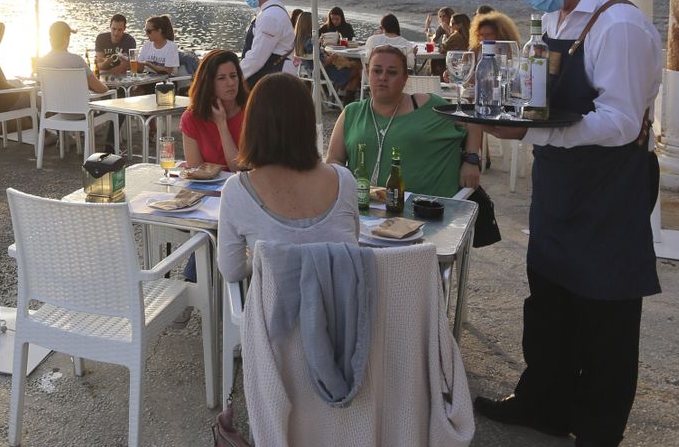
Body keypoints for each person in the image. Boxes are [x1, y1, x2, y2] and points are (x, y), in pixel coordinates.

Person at [471, 0, 662, 447]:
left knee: (606, 313)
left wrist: (534, 136)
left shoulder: (620, 26)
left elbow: (622, 122)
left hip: (609, 188)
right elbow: (542, 101)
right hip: (559, 188)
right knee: (549, 299)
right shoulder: (554, 21)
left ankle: (599, 437)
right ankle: (545, 405)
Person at [217, 73, 361, 283]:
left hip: (275, 314)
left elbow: (232, 271)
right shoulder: (344, 179)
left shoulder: (237, 190)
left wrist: (264, 258)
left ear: (253, 126)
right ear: (307, 123)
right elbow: (351, 245)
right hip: (343, 310)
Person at [324, 45, 481, 198]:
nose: (383, 77)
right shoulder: (352, 112)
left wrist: (471, 160)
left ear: (405, 78)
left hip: (423, 212)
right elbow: (334, 159)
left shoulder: (428, 107)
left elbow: (473, 120)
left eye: (392, 72)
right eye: (377, 71)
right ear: (367, 73)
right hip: (365, 210)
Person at [179, 49, 248, 173]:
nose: (230, 83)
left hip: (243, 187)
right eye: (221, 78)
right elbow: (198, 171)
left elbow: (238, 168)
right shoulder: (191, 118)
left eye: (233, 76)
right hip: (207, 188)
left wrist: (222, 125)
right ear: (208, 83)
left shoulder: (250, 112)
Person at [237, 0, 294, 83]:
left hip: (275, 83)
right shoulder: (272, 11)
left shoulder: (270, 16)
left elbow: (256, 58)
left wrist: (234, 77)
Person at [37, 21, 108, 95]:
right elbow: (100, 89)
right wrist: (106, 87)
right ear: (67, 39)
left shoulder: (41, 62)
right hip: (77, 106)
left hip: (51, 106)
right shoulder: (76, 61)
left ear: (50, 40)